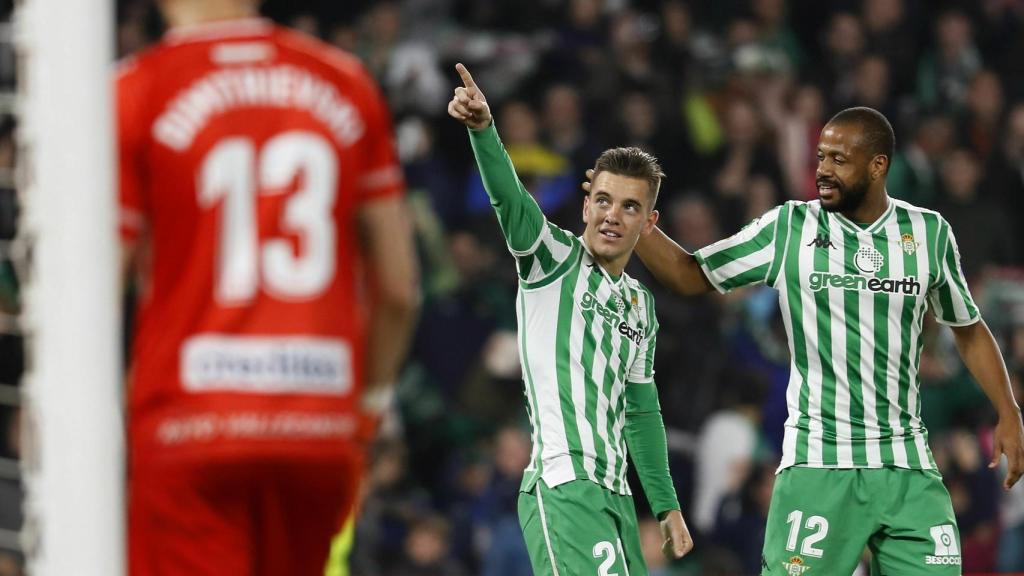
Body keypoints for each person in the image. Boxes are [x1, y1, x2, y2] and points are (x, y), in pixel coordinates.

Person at [621, 106, 1024, 575]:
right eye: (820, 157)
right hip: (818, 464)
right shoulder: (790, 227)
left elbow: (969, 329)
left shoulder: (928, 233)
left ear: (878, 165)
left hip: (907, 466)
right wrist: (636, 218)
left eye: (839, 159)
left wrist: (1008, 410)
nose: (823, 170)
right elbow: (691, 275)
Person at [116, 1, 419, 574]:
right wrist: (366, 408)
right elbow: (400, 287)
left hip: (190, 425)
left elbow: (95, 291)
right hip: (318, 423)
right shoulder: (345, 81)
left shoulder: (136, 89)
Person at [447, 63, 692, 575]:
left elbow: (641, 412)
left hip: (617, 496)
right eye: (603, 200)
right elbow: (508, 200)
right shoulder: (551, 258)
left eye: (629, 207)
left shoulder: (641, 305)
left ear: (649, 223)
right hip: (563, 486)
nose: (612, 215)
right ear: (585, 206)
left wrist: (665, 505)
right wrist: (484, 132)